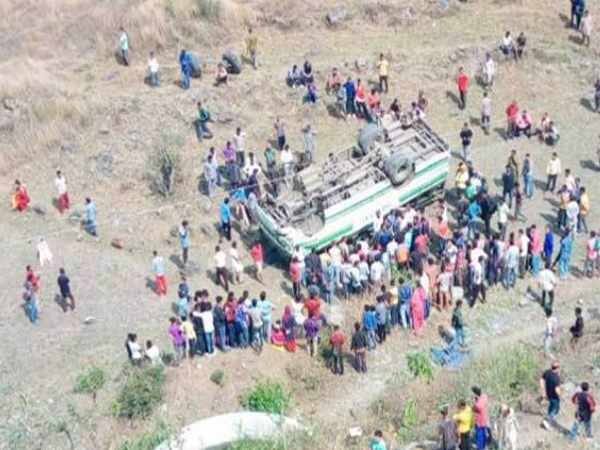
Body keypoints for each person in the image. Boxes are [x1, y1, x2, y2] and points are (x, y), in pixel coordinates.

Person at [540, 361, 562, 428]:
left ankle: (549, 416)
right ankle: (547, 421)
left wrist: (543, 391)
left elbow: (541, 379)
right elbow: (557, 389)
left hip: (548, 394)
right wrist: (560, 395)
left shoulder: (547, 372)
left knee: (551, 406)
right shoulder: (556, 378)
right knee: (555, 409)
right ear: (557, 368)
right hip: (555, 396)